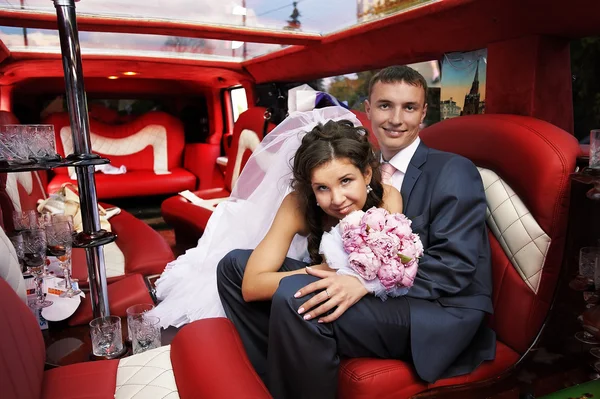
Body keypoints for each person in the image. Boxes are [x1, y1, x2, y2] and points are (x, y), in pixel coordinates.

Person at [217, 65, 495, 398]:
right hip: (371, 288)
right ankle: (271, 376)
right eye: (384, 105)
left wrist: (362, 281)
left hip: (438, 310)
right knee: (233, 267)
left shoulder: (452, 170)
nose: (395, 118)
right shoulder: (359, 167)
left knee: (297, 298)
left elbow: (454, 266)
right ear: (368, 109)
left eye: (408, 107)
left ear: (423, 113)